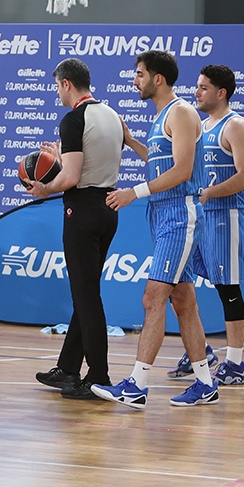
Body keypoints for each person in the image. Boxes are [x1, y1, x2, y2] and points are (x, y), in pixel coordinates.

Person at [94, 49, 217, 408]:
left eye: (139, 74)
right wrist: (131, 141)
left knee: (153, 297)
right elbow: (162, 162)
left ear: (157, 78)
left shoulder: (181, 112)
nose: (135, 81)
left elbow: (182, 170)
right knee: (183, 301)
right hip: (163, 215)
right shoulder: (163, 116)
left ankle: (136, 385)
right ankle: (205, 384)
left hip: (180, 214)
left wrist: (134, 192)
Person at [28, 58, 123, 401]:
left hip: (82, 210)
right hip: (108, 207)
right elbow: (92, 161)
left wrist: (44, 188)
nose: (57, 92)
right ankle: (68, 367)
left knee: (86, 296)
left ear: (66, 84)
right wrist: (60, 159)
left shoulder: (73, 119)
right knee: (87, 293)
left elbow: (70, 178)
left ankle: (98, 376)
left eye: (57, 86)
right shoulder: (111, 115)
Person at [183, 64, 244, 385]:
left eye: (203, 88)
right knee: (182, 282)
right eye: (197, 86)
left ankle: (236, 363)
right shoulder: (202, 126)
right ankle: (200, 349)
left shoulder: (235, 125)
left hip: (226, 216)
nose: (196, 93)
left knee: (228, 288)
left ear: (221, 92)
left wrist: (210, 192)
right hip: (202, 217)